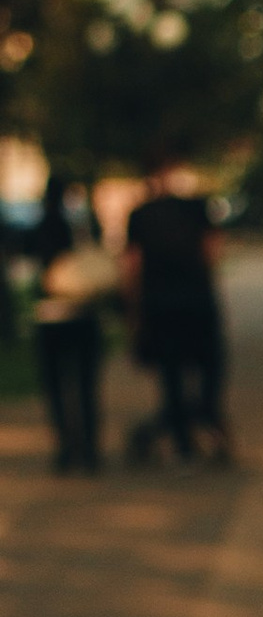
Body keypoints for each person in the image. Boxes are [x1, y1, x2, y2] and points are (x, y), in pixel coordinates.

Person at [123, 162, 232, 464]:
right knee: (209, 369)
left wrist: (133, 313)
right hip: (197, 302)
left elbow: (132, 266)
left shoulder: (140, 215)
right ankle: (208, 420)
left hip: (159, 306)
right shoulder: (198, 208)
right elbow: (213, 252)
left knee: (171, 376)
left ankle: (184, 445)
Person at [30, 174, 113, 476]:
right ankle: (88, 448)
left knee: (56, 387)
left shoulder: (40, 228)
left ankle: (67, 447)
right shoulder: (82, 227)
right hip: (83, 315)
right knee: (86, 385)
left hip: (50, 317)